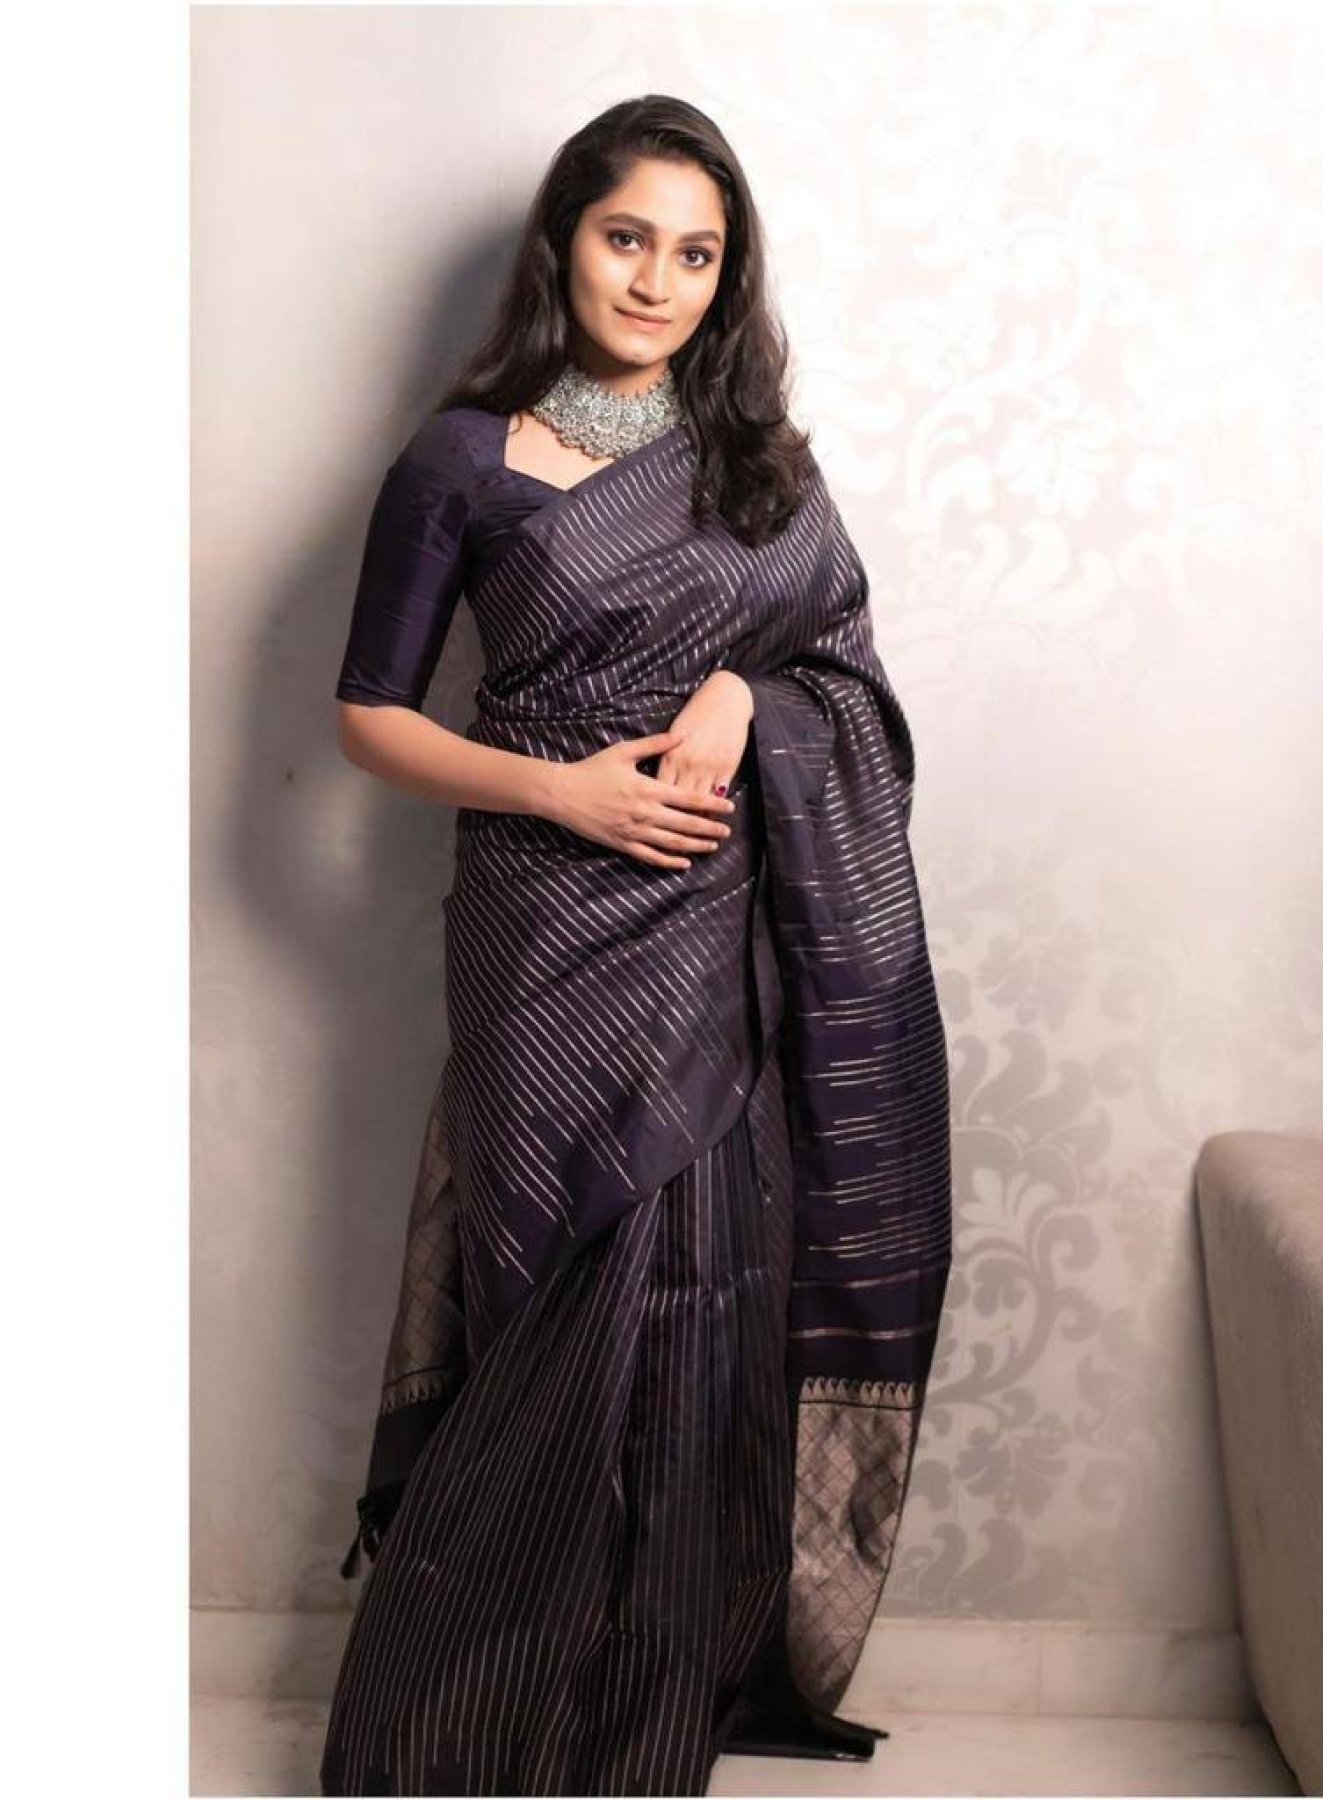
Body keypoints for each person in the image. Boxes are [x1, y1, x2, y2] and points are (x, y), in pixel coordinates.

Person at [319, 95, 953, 1798]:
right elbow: (368, 718)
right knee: (547, 1302)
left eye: (697, 252)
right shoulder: (461, 461)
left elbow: (846, 678)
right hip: (538, 931)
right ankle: (452, 1741)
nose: (658, 280)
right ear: (564, 244)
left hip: (717, 940)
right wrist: (564, 791)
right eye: (627, 238)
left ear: (728, 275)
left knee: (701, 1316)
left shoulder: (763, 469)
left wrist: (747, 690)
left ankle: (635, 1730)